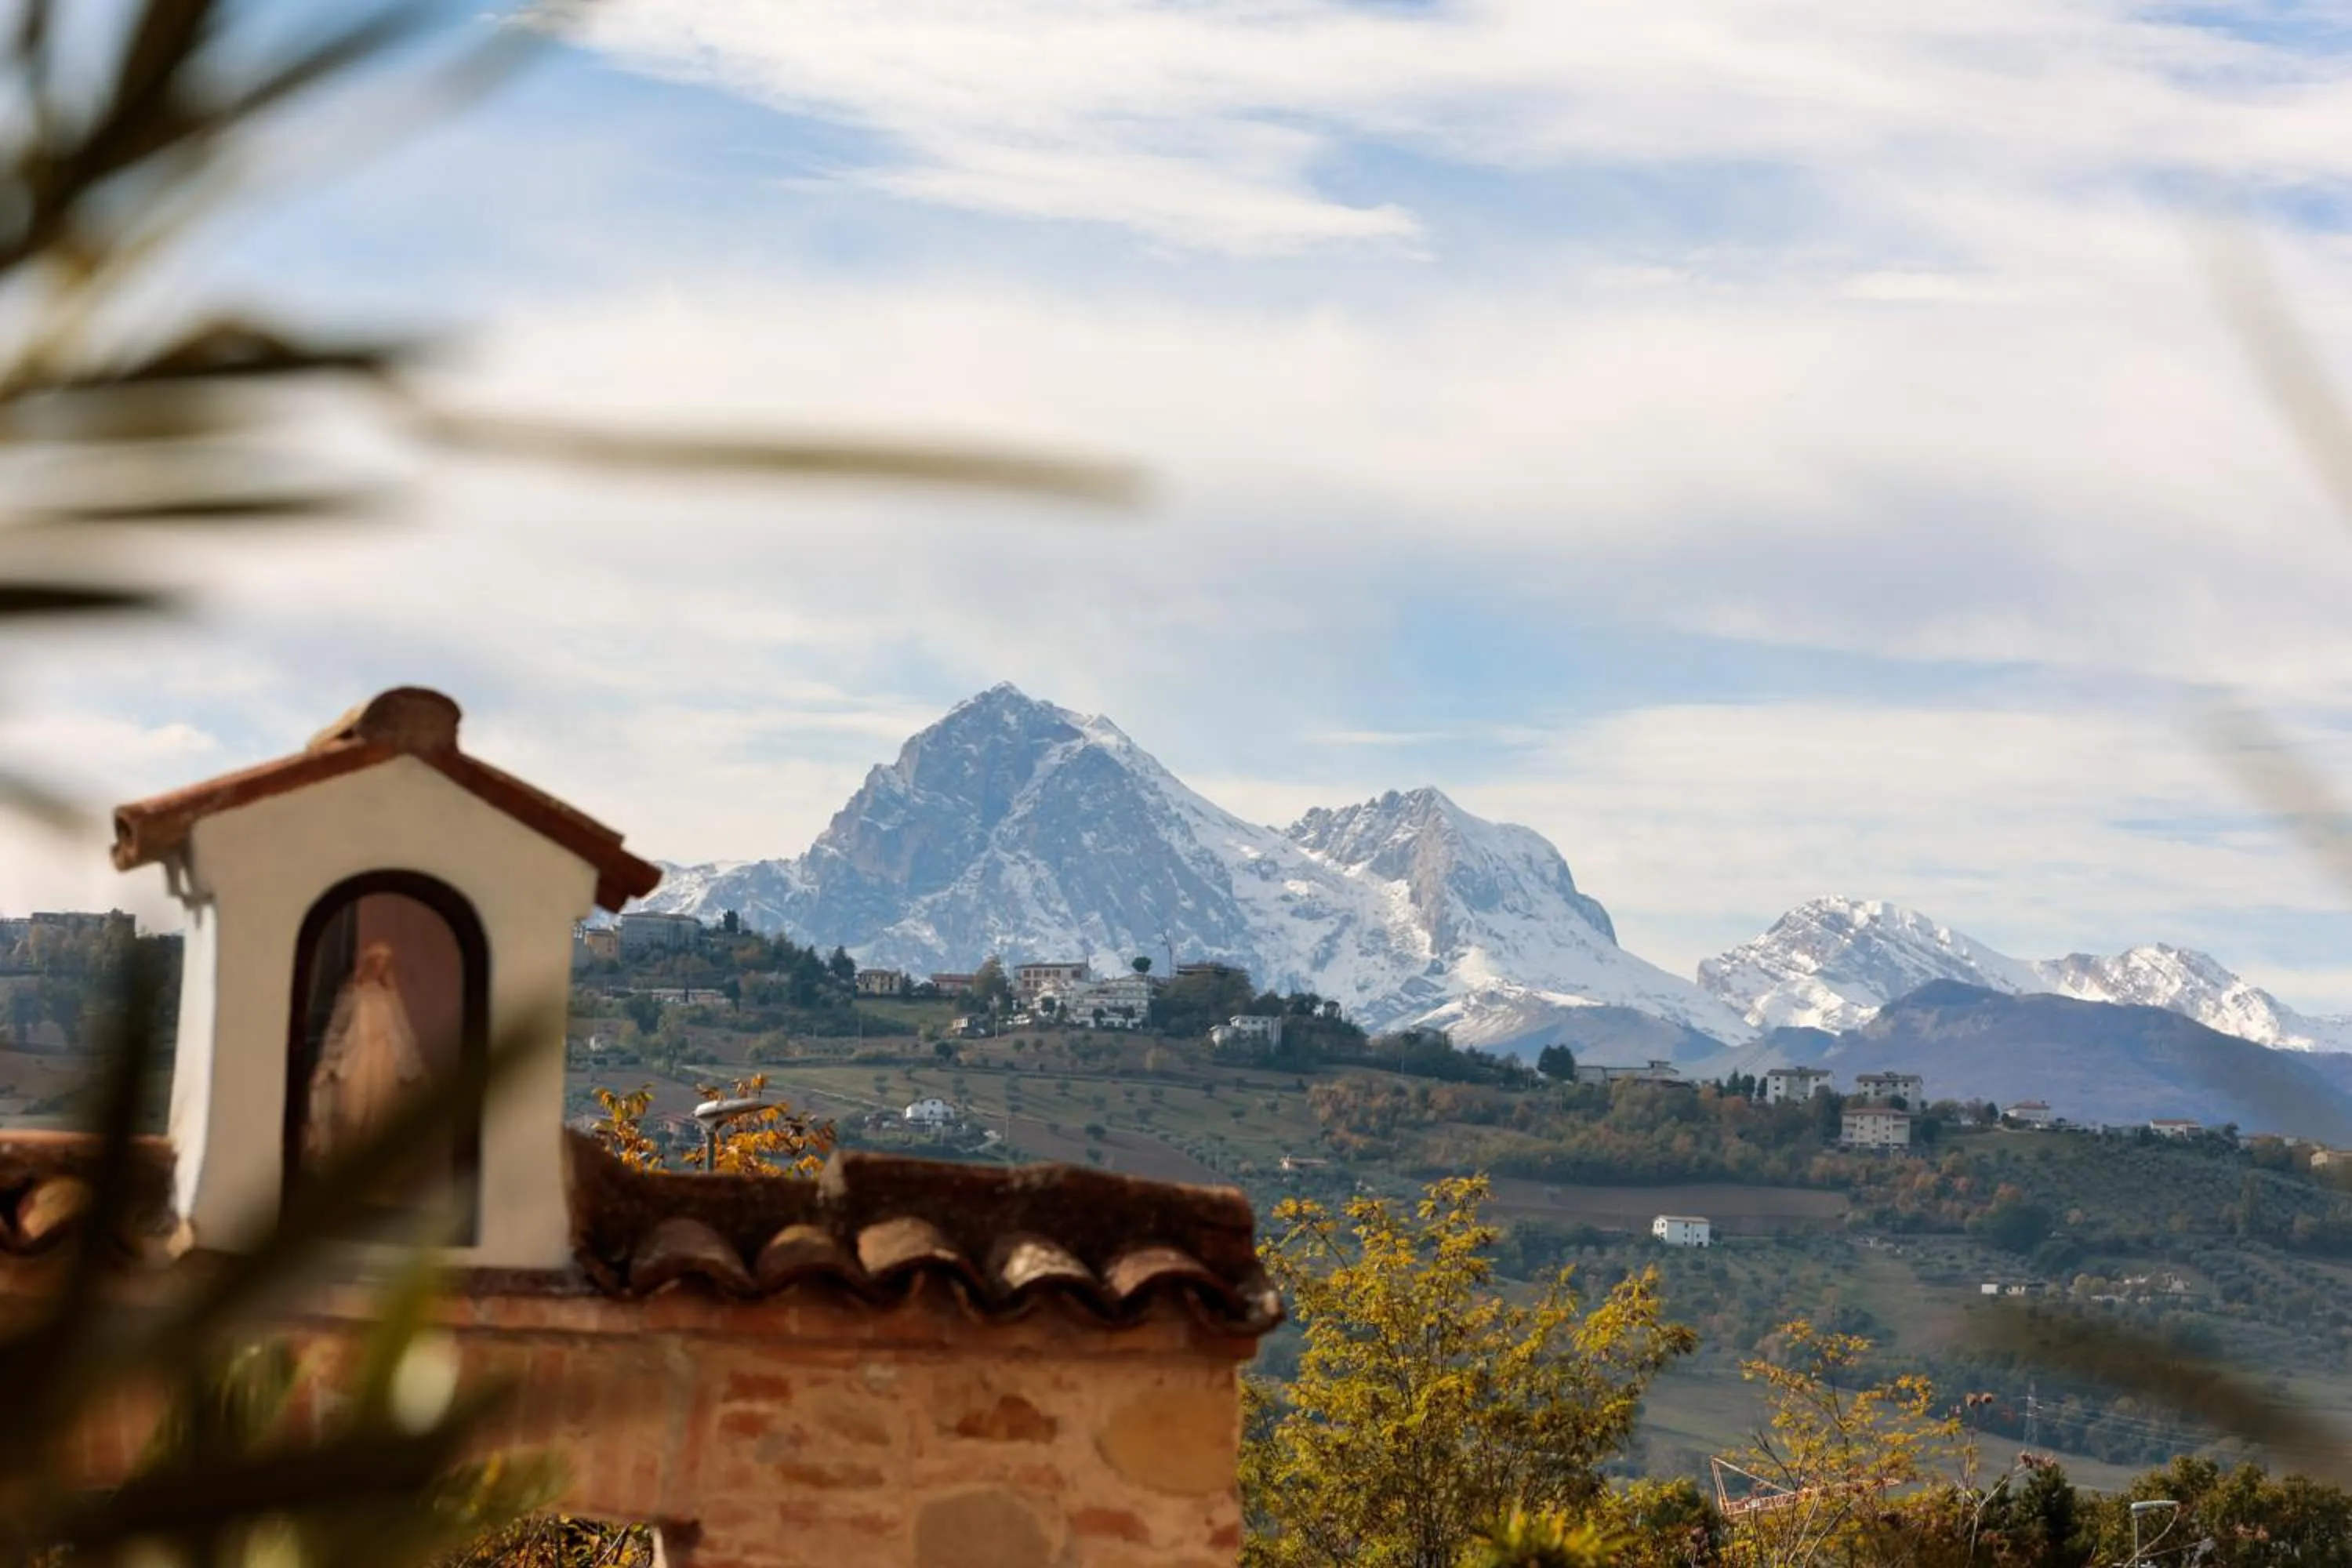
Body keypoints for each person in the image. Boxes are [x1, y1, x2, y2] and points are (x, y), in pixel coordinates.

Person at [304, 940, 428, 1168]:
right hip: (358, 1059)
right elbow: (336, 1029)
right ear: (369, 963)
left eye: (385, 963)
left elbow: (402, 1031)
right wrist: (327, 1063)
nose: (380, 967)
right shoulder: (353, 994)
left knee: (380, 1113)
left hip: (384, 1060)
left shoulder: (391, 997)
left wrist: (414, 1064)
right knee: (353, 1113)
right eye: (376, 962)